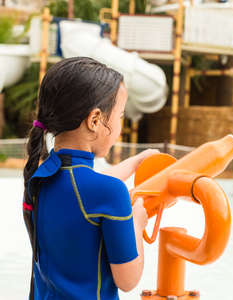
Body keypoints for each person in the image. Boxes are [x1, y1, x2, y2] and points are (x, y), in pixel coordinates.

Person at [22, 57, 158, 299]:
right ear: (95, 120)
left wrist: (136, 162)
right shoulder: (108, 192)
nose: (119, 127)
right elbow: (128, 279)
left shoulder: (39, 177)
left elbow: (85, 189)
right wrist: (137, 222)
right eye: (120, 117)